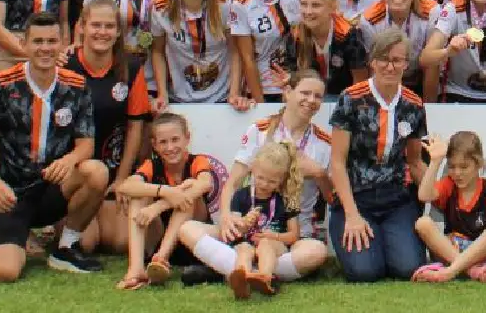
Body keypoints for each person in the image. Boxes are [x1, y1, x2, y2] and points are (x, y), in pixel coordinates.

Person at [0, 12, 110, 280]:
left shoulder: (76, 86)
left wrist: (69, 160)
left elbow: (86, 145)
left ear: (62, 42)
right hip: (9, 193)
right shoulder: (0, 84)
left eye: (52, 41)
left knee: (96, 171)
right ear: (25, 44)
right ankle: (13, 237)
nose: (45, 48)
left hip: (51, 188)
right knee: (4, 272)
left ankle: (66, 247)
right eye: (38, 41)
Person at [329, 30, 431, 282]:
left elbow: (414, 161)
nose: (389, 66)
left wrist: (442, 190)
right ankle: (355, 231)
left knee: (409, 268)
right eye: (383, 59)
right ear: (372, 61)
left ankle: (392, 239)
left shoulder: (414, 104)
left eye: (397, 60)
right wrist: (352, 216)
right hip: (356, 199)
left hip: (396, 199)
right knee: (365, 272)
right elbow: (337, 163)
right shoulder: (350, 99)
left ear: (406, 64)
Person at [225, 71, 335, 283]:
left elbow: (332, 200)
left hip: (295, 235)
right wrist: (227, 217)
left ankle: (242, 268)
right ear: (288, 92)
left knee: (317, 252)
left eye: (318, 96)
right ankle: (259, 268)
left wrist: (319, 173)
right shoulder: (261, 130)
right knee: (189, 229)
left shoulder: (324, 142)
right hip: (251, 230)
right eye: (305, 93)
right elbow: (233, 182)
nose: (311, 100)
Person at [66, 0, 152, 254]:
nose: (102, 32)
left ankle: (104, 208)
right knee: (85, 243)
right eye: (95, 25)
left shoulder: (131, 68)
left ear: (117, 32)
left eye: (109, 26)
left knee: (121, 243)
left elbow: (135, 126)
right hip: (77, 174)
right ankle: (65, 217)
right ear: (81, 27)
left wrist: (123, 177)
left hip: (114, 169)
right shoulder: (65, 65)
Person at [177, 142, 301, 298]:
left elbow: (293, 236)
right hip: (245, 241)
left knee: (265, 245)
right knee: (243, 249)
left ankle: (264, 278)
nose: (264, 184)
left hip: (274, 244)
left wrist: (272, 236)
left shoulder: (286, 200)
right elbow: (236, 229)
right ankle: (242, 279)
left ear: (281, 179)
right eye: (260, 178)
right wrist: (245, 222)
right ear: (253, 169)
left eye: (272, 182)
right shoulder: (241, 195)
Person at [151, 0, 256, 109]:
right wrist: (162, 93)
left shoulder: (224, 1)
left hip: (222, 97)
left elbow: (235, 50)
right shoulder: (162, 8)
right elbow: (157, 52)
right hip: (179, 99)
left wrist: (235, 92)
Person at [116, 112, 217, 289]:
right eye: (163, 142)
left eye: (175, 139)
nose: (170, 147)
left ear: (187, 138)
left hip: (194, 239)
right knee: (139, 196)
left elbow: (205, 184)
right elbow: (125, 186)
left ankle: (161, 259)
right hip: (162, 236)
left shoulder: (197, 161)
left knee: (189, 190)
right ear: (154, 145)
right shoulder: (152, 165)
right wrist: (165, 191)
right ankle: (136, 268)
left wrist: (159, 205)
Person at [411, 131, 486, 283]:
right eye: (452, 167)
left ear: (478, 164)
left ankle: (450, 272)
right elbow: (424, 196)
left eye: (464, 167)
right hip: (452, 251)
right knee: (423, 223)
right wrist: (435, 162)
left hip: (480, 255)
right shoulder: (448, 184)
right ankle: (469, 271)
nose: (457, 173)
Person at [359, 0, 440, 97]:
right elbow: (374, 67)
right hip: (386, 77)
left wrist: (428, 108)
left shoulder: (432, 12)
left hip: (420, 78)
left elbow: (432, 66)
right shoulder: (369, 20)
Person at [286, 0, 371, 98]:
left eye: (316, 5)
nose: (308, 11)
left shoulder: (348, 34)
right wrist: (290, 79)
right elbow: (293, 76)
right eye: (304, 4)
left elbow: (360, 81)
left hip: (343, 97)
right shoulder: (296, 34)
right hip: (309, 97)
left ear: (332, 7)